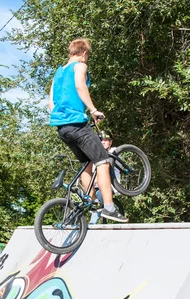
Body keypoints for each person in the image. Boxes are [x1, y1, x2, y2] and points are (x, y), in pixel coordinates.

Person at [48, 38, 127, 222]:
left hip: (62, 128)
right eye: (87, 56)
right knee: (103, 161)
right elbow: (80, 86)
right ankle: (109, 207)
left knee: (86, 162)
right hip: (77, 124)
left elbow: (51, 103)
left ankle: (91, 203)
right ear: (84, 53)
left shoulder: (58, 73)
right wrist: (93, 110)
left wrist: (61, 117)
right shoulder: (79, 66)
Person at [89, 130, 118, 224]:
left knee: (99, 196)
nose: (103, 142)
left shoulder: (115, 151)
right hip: (96, 185)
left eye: (106, 140)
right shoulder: (96, 155)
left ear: (110, 142)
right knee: (82, 196)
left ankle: (93, 221)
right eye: (101, 140)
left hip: (111, 185)